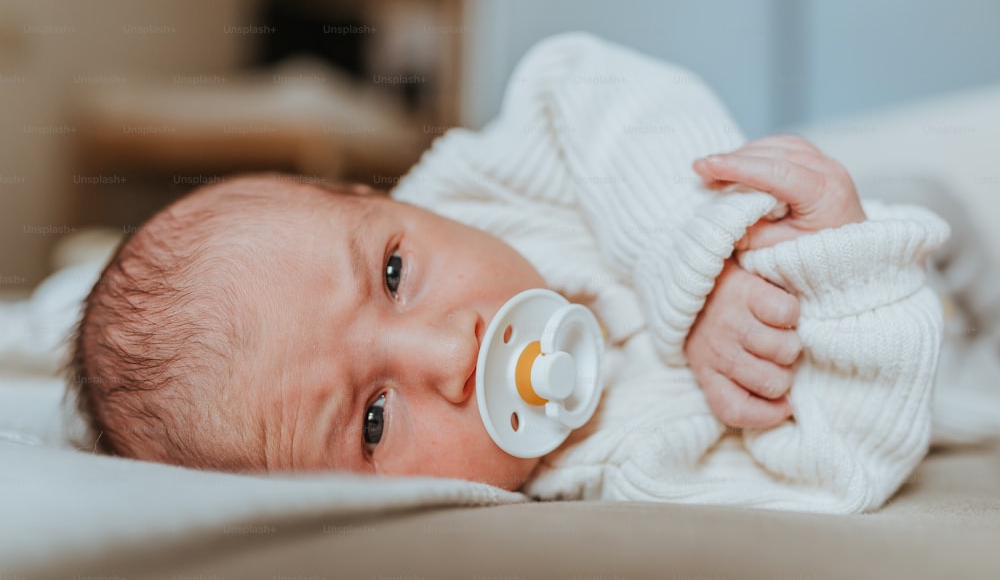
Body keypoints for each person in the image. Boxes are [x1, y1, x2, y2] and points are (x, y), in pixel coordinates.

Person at [68, 33, 949, 512]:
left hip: (856, 196)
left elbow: (587, 82)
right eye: (374, 420)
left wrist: (697, 255)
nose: (451, 348)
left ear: (380, 197)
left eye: (394, 269)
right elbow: (843, 465)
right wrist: (850, 277)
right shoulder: (628, 472)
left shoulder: (485, 182)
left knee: (922, 175)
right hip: (897, 309)